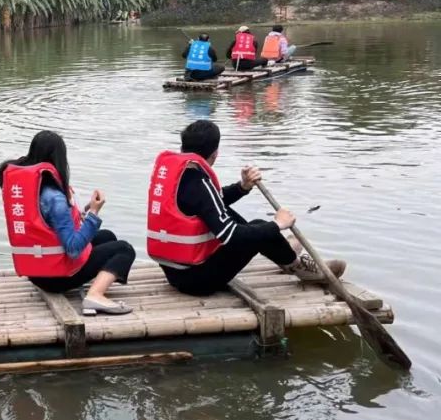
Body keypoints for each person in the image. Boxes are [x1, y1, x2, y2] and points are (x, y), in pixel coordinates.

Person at [147, 120, 346, 296]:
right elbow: (230, 235)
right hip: (198, 281)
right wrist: (277, 224)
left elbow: (209, 203)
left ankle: (283, 253)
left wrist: (243, 187)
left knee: (235, 219)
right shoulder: (199, 181)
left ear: (183, 147)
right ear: (215, 153)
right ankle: (300, 268)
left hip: (175, 273)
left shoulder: (178, 176)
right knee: (260, 226)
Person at [0, 130, 134, 315]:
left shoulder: (32, 190)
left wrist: (83, 214)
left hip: (37, 273)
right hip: (56, 278)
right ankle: (95, 295)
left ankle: (96, 283)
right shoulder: (54, 197)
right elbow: (73, 249)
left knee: (107, 236)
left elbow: (47, 228)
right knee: (124, 249)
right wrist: (94, 212)